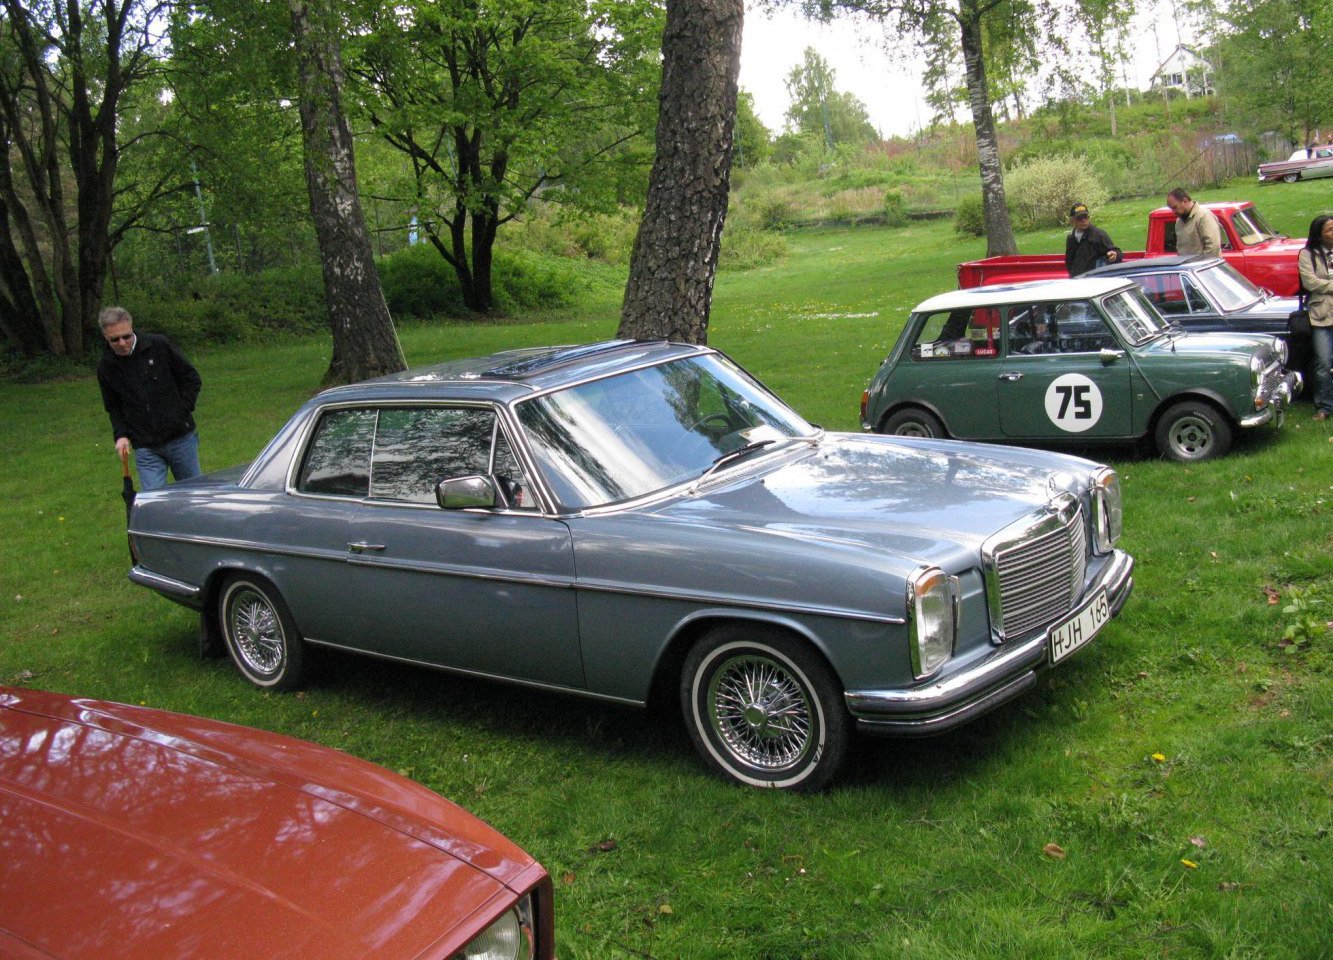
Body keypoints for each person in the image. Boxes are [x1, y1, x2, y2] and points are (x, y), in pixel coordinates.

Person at [97, 306, 204, 489]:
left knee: (195, 494)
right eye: (115, 340)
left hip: (181, 439)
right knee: (153, 501)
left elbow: (191, 379)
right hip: (146, 447)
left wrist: (181, 411)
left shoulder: (159, 345)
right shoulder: (107, 367)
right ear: (106, 337)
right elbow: (114, 406)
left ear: (132, 328)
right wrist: (121, 436)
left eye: (126, 336)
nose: (122, 343)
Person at [1297, 214, 1333, 421]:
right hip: (1321, 315)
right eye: (1329, 230)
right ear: (1319, 234)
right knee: (1323, 361)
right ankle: (1324, 406)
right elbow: (1310, 282)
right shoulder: (1307, 254)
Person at [1065, 203, 1121, 277]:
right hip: (1076, 280)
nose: (1083, 220)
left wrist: (1114, 255)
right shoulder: (1071, 238)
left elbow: (1116, 252)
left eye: (1085, 217)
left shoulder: (1098, 234)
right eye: (1079, 218)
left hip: (1094, 279)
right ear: (1072, 221)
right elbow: (1069, 261)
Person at [1166, 188, 1222, 257]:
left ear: (1185, 201)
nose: (1173, 212)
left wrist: (1201, 265)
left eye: (1175, 207)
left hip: (1205, 266)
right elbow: (1180, 249)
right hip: (1187, 266)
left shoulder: (1204, 216)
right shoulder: (1179, 222)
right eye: (1171, 209)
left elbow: (1213, 247)